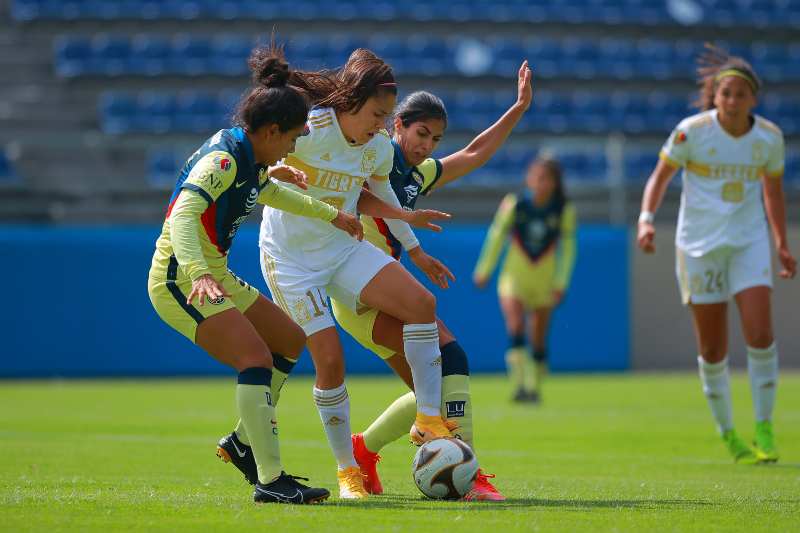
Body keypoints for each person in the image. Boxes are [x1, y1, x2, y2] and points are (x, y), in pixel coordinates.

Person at [147, 44, 364, 504]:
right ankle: (270, 479)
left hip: (212, 273)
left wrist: (332, 215)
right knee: (255, 360)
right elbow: (184, 215)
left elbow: (267, 192)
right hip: (180, 279)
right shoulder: (224, 161)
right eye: (291, 138)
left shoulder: (250, 156)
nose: (293, 147)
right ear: (270, 131)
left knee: (288, 340)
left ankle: (242, 443)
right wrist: (197, 272)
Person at [238, 47, 454, 500]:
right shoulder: (312, 128)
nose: (381, 125)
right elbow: (259, 163)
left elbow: (370, 198)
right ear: (352, 101)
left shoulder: (375, 148)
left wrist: (407, 224)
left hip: (342, 246)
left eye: (387, 115)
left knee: (422, 305)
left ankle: (428, 419)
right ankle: (346, 471)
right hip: (291, 260)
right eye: (377, 113)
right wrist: (274, 170)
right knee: (330, 362)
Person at [334, 61, 533, 501]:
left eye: (436, 139)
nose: (428, 146)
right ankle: (472, 476)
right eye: (422, 134)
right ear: (398, 125)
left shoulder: (417, 175)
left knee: (437, 396)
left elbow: (476, 153)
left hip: (383, 289)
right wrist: (417, 251)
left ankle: (363, 449)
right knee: (453, 358)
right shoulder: (373, 157)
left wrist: (517, 109)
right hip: (359, 295)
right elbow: (354, 196)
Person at [636, 45, 795, 464]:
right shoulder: (692, 132)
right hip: (698, 246)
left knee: (761, 334)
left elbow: (773, 192)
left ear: (753, 99)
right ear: (716, 96)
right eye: (726, 93)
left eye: (741, 94)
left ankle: (764, 426)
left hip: (748, 242)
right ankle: (729, 432)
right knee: (713, 349)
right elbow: (660, 177)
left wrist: (780, 242)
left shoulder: (769, 138)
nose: (733, 100)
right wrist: (646, 219)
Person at [473, 155, 577, 404]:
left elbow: (569, 250)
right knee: (516, 326)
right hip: (514, 278)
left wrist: (561, 283)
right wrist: (484, 269)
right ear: (529, 179)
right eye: (537, 177)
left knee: (539, 336)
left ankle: (534, 387)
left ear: (555, 183)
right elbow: (496, 236)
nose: (540, 183)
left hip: (544, 281)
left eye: (546, 179)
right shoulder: (515, 204)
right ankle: (519, 386)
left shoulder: (564, 210)